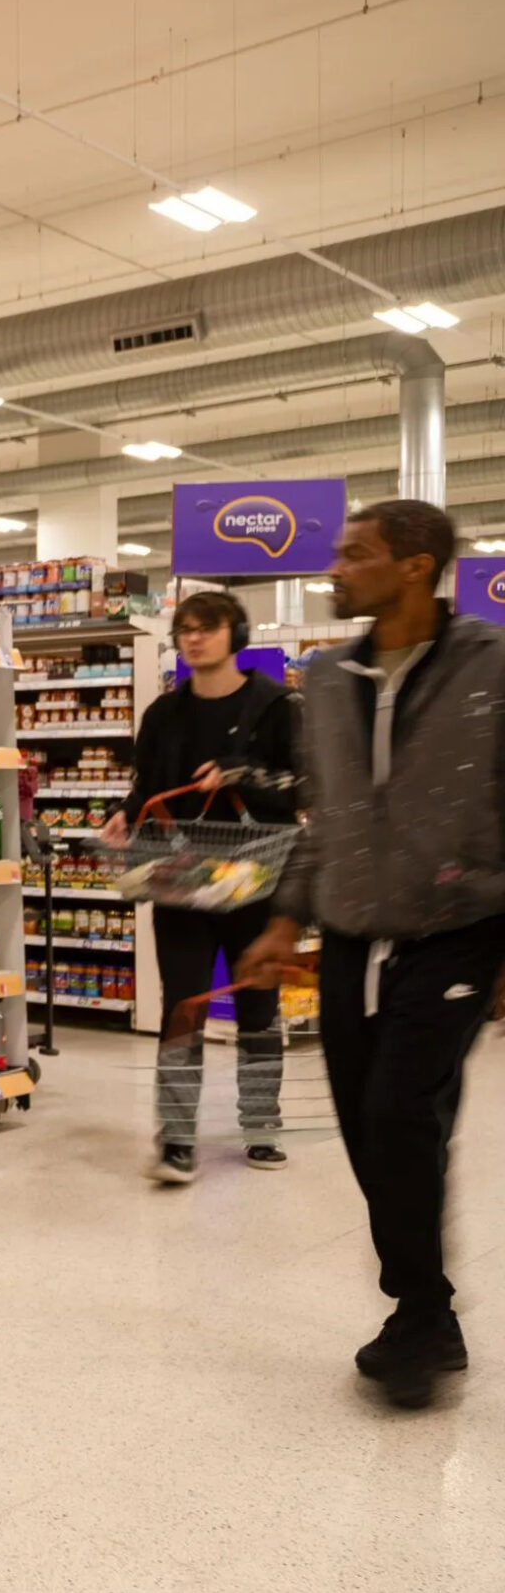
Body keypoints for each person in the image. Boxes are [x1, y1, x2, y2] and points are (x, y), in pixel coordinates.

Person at [241, 499, 505, 1410]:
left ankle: (420, 1313)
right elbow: (326, 813)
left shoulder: (493, 665)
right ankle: (426, 1307)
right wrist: (286, 918)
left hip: (460, 927)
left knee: (401, 1109)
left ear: (415, 566)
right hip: (351, 931)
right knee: (367, 1120)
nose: (335, 568)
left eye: (356, 554)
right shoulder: (325, 675)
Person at [99, 591, 302, 1182]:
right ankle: (177, 1137)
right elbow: (146, 785)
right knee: (182, 1006)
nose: (194, 638)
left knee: (258, 1005)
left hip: (257, 878)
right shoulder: (164, 713)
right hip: (180, 879)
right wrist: (124, 813)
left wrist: (241, 773)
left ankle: (261, 1125)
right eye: (184, 628)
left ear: (234, 634)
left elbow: (303, 784)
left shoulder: (278, 705)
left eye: (207, 627)